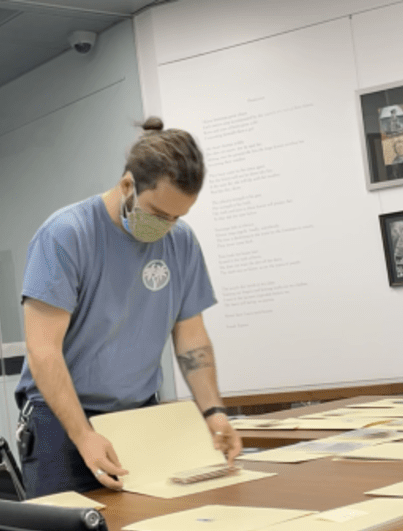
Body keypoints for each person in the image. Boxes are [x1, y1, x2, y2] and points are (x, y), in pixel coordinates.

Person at [14, 117, 241, 498]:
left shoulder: (181, 242)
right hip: (61, 421)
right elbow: (43, 349)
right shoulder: (66, 235)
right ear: (127, 186)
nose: (166, 227)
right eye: (157, 213)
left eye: (177, 217)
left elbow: (191, 340)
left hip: (139, 418)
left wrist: (213, 411)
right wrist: (84, 434)